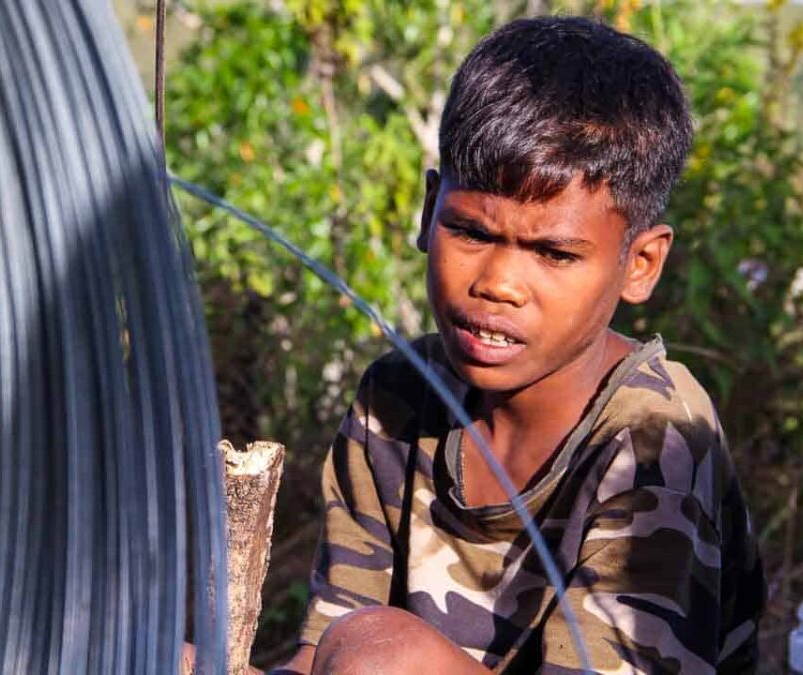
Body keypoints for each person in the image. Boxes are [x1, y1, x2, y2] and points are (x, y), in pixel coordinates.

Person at [270, 15, 766, 674]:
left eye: (554, 252)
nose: (498, 283)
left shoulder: (654, 444)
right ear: (428, 214)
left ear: (640, 263)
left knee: (383, 656)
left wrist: (392, 655)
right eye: (470, 232)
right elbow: (323, 647)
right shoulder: (395, 400)